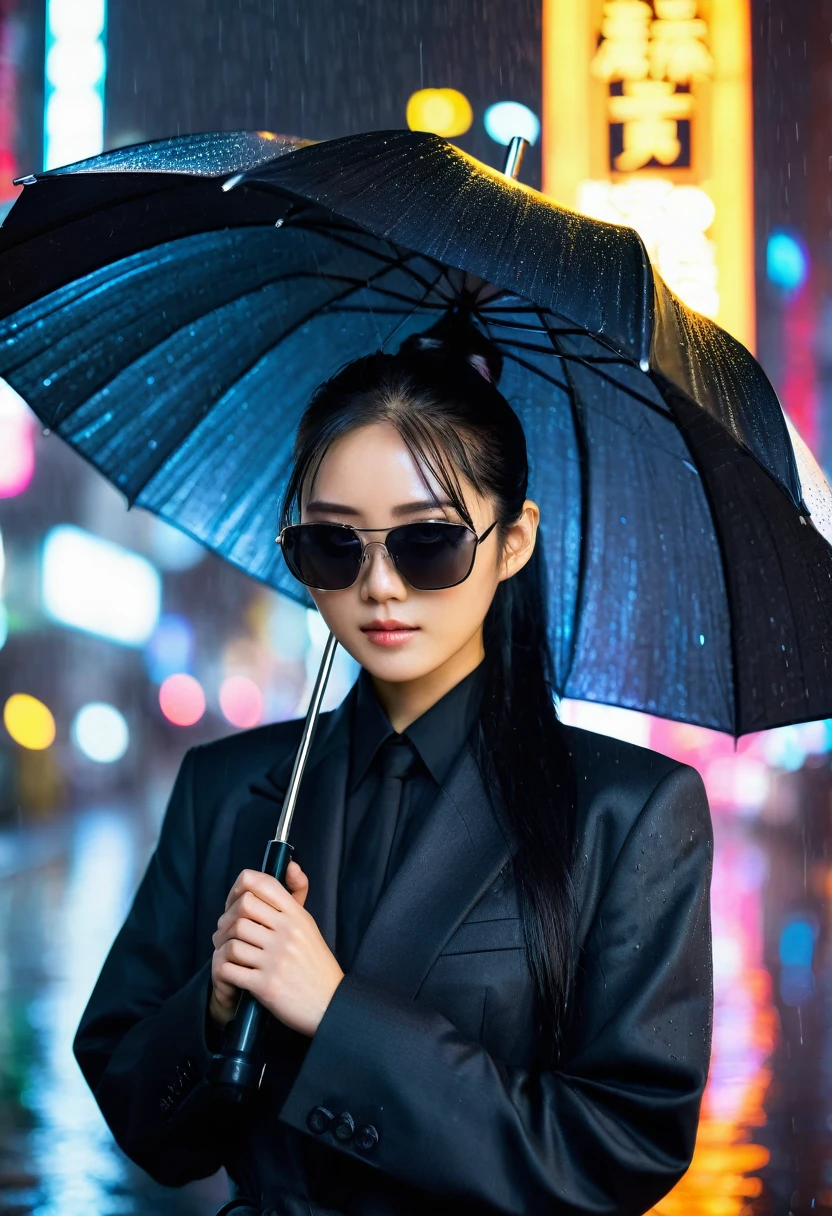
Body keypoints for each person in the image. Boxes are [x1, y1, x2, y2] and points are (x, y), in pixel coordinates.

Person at [73, 311, 714, 1216]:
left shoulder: (630, 812)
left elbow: (620, 1151)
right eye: (336, 544)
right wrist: (215, 1005)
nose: (379, 586)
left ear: (514, 541)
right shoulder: (226, 790)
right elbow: (142, 1122)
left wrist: (335, 1013)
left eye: (428, 542)